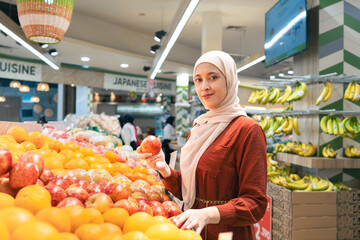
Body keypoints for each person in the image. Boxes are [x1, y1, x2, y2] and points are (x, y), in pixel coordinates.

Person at [141, 51, 267, 240]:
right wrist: (165, 170)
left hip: (228, 234)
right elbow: (191, 189)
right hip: (192, 232)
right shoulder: (200, 127)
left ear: (229, 79)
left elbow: (255, 204)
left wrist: (207, 214)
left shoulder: (248, 130)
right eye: (198, 80)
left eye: (213, 77)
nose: (204, 87)